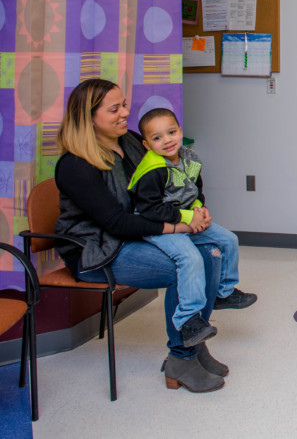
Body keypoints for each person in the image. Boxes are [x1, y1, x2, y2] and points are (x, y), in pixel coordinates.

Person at [54, 78, 256, 392]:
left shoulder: (133, 142)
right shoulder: (74, 165)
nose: (125, 113)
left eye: (123, 104)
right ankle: (181, 357)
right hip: (97, 250)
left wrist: (196, 212)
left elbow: (170, 187)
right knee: (186, 266)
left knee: (213, 252)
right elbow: (117, 224)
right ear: (88, 117)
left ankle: (193, 343)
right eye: (114, 109)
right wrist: (181, 225)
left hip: (137, 234)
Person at [127, 107, 255, 347]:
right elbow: (150, 210)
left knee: (228, 239)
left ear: (180, 131)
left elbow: (196, 189)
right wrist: (188, 217)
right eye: (157, 138)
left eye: (171, 132)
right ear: (146, 144)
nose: (166, 140)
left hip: (186, 216)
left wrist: (200, 209)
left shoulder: (191, 159)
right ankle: (188, 319)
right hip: (159, 225)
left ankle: (223, 293)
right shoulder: (152, 171)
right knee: (190, 258)